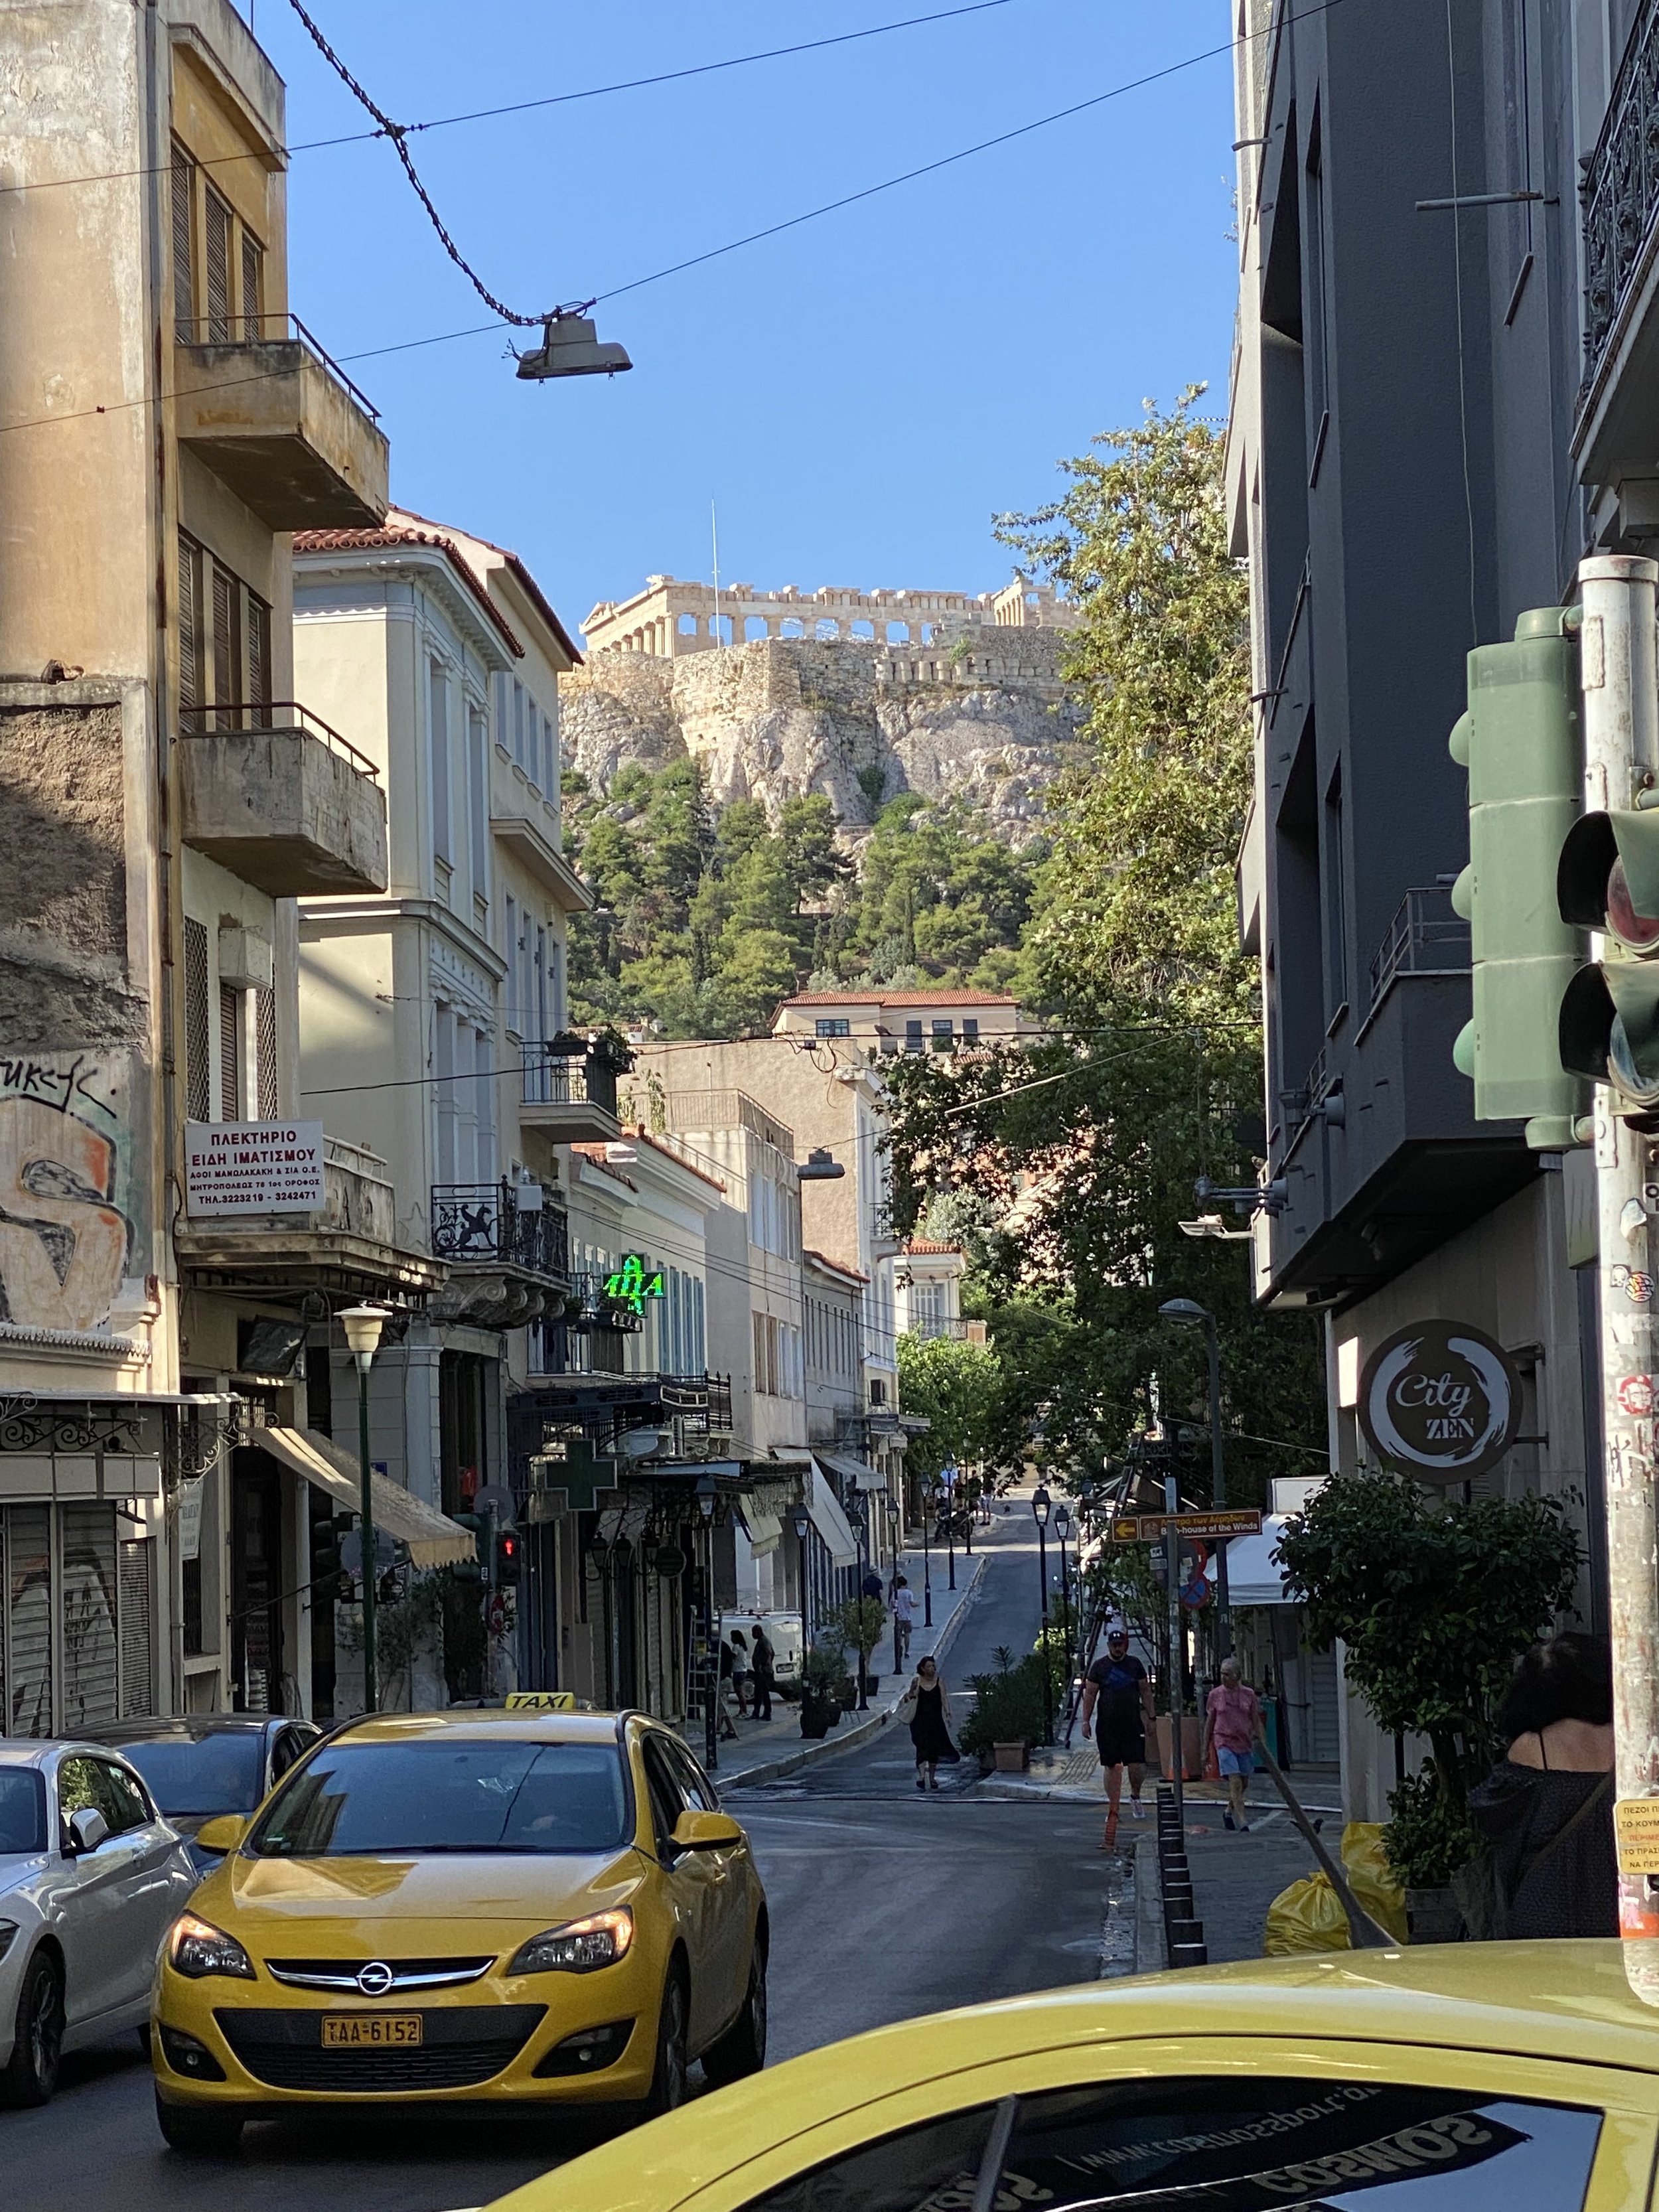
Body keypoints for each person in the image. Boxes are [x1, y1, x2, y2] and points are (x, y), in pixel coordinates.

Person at [1467, 1631, 1616, 1939]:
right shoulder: (1635, 1739)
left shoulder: (1533, 1748)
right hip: (1621, 1909)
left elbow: (1491, 1817)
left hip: (1546, 1909)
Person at [1079, 1626, 1156, 1848]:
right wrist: (1085, 1721)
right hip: (1107, 1726)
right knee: (1111, 1767)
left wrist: (1151, 1718)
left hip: (1132, 1724)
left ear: (1125, 1645)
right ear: (1109, 1646)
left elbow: (1146, 1692)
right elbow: (1090, 1694)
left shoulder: (1134, 1665)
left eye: (1120, 1644)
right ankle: (1113, 1808)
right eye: (1114, 1645)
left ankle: (1135, 1795)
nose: (1117, 1648)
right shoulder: (1099, 1667)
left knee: (1137, 1765)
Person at [1202, 1657, 1266, 1832]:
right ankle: (1243, 1820)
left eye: (1228, 1674)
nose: (1224, 1678)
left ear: (1237, 1676)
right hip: (1223, 1741)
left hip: (1243, 1742)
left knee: (1244, 1782)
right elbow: (1210, 1722)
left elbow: (1255, 1720)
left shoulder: (1249, 1695)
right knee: (1235, 1781)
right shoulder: (1216, 1695)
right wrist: (1205, 1749)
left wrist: (1262, 1743)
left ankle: (1229, 1810)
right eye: (1222, 1674)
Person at [905, 1653, 958, 1791]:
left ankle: (932, 1778)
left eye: (933, 1666)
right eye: (929, 1666)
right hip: (919, 1720)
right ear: (922, 1668)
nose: (932, 1668)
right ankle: (921, 1777)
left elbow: (944, 1698)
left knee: (934, 1748)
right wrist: (912, 1690)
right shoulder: (917, 1681)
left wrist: (947, 1713)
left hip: (935, 1720)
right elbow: (910, 1697)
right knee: (921, 1746)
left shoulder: (939, 1681)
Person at [751, 1626, 776, 1723]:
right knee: (760, 1693)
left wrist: (763, 1666)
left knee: (763, 1693)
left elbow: (769, 1654)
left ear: (758, 1632)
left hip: (763, 1673)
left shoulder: (763, 1642)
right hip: (763, 1671)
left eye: (753, 1632)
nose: (752, 1635)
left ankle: (765, 1713)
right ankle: (759, 1713)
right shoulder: (763, 1641)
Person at [728, 1629, 751, 1718]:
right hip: (743, 1670)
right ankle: (742, 1710)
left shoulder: (736, 1647)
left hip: (738, 1671)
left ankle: (743, 1710)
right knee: (740, 1692)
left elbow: (732, 1657)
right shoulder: (743, 1647)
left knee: (739, 1692)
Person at [893, 1575, 915, 1661]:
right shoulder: (909, 1593)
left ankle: (899, 1647)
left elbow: (892, 1604)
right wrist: (918, 1604)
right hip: (907, 1617)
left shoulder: (895, 1593)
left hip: (899, 1618)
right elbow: (912, 1604)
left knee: (898, 1634)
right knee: (907, 1634)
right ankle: (907, 1651)